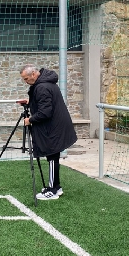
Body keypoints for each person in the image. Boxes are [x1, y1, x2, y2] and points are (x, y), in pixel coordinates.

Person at [19, 64, 77, 200]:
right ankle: (56, 187)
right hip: (55, 125)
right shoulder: (45, 83)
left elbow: (45, 112)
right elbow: (45, 103)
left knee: (52, 158)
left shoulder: (42, 87)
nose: (25, 82)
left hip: (53, 128)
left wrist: (30, 120)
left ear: (34, 74)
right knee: (53, 157)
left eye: (26, 79)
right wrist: (31, 101)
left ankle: (53, 190)